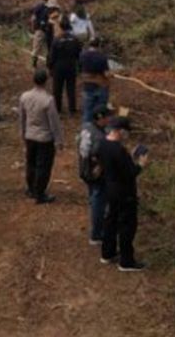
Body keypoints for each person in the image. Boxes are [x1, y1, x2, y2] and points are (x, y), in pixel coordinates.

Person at [98, 116, 147, 271]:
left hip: (110, 188)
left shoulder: (103, 144)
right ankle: (126, 261)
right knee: (127, 226)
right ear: (119, 131)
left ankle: (107, 253)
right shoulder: (119, 150)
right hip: (124, 192)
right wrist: (140, 165)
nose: (127, 135)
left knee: (111, 221)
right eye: (125, 132)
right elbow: (130, 173)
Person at [19, 69, 64, 204]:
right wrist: (59, 140)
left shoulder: (24, 96)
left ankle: (31, 189)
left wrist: (22, 133)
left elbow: (22, 117)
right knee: (43, 167)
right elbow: (54, 122)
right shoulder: (48, 100)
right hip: (44, 138)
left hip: (30, 135)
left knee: (31, 164)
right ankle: (40, 193)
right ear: (46, 81)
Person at [79, 105, 112, 245]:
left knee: (94, 197)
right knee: (99, 202)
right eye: (107, 117)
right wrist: (100, 166)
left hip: (84, 170)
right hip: (95, 174)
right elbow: (97, 155)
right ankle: (96, 234)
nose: (109, 119)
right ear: (101, 118)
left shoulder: (86, 127)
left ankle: (97, 225)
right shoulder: (99, 137)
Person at [48, 24, 83, 116]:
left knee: (57, 89)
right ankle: (72, 109)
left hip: (58, 67)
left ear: (61, 28)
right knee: (71, 88)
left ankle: (58, 109)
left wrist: (50, 67)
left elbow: (52, 56)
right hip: (71, 66)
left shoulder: (56, 40)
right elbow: (79, 55)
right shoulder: (75, 39)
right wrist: (79, 67)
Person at [79, 38, 111, 125]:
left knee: (87, 110)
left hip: (87, 85)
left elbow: (80, 69)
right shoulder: (102, 57)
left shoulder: (82, 55)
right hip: (101, 86)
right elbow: (106, 73)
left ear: (89, 45)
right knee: (101, 109)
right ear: (99, 45)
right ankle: (99, 127)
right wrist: (111, 75)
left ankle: (86, 131)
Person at [30, 0, 53, 68]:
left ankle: (34, 62)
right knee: (48, 48)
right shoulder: (51, 7)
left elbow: (33, 18)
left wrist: (33, 27)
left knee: (36, 46)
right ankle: (48, 63)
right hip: (49, 30)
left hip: (40, 29)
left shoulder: (38, 6)